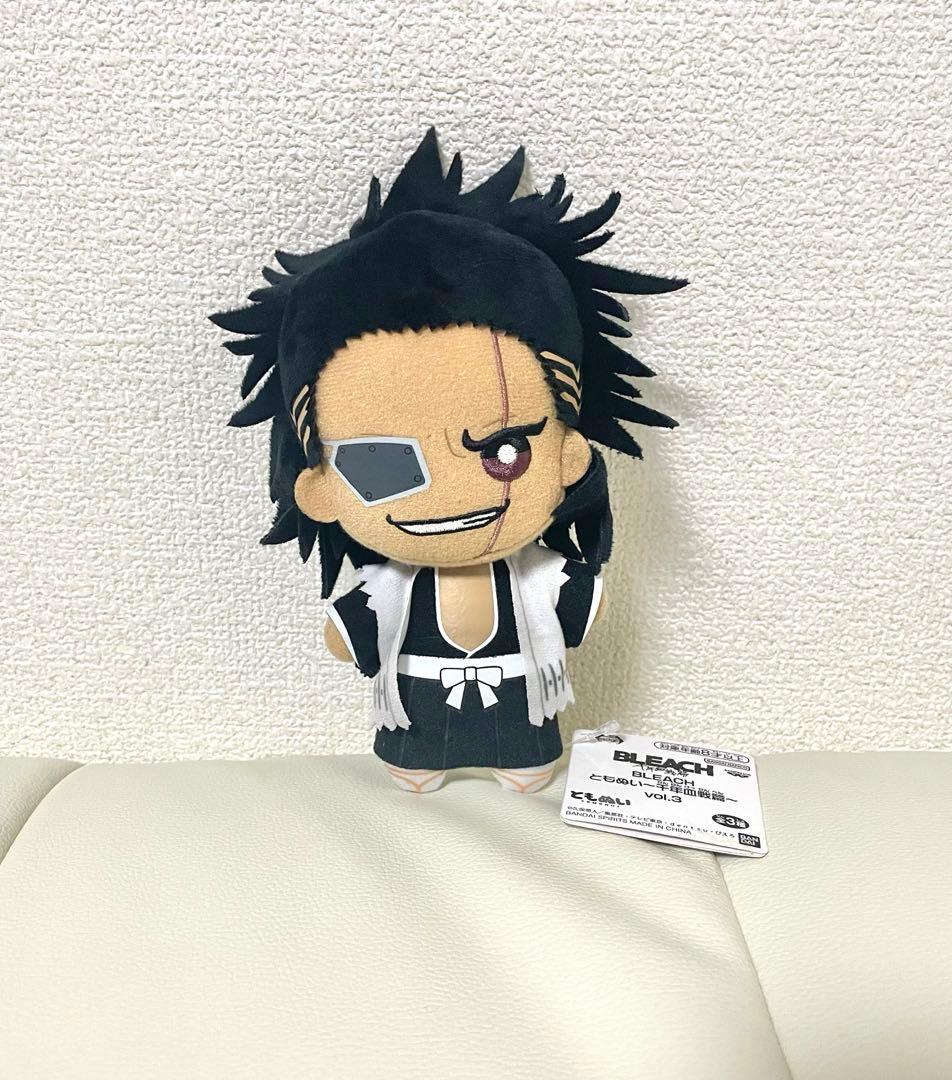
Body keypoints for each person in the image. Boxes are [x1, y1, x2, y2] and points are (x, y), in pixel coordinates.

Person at [211, 129, 686, 792]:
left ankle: (519, 762)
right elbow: (347, 634)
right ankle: (423, 761)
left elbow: (585, 606)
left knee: (526, 756)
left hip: (525, 721)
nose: (445, 492)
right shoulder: (389, 588)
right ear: (320, 488)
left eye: (504, 450)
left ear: (566, 455)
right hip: (414, 724)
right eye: (381, 466)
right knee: (417, 755)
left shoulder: (536, 577)